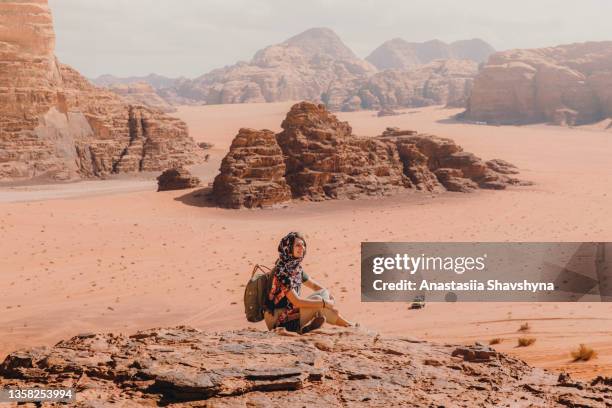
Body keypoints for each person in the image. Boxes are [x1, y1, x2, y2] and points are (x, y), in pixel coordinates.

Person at [264, 232, 355, 334]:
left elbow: (315, 286)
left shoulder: (295, 268)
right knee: (319, 304)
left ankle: (305, 329)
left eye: (303, 245)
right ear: (288, 248)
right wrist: (325, 303)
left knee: (323, 294)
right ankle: (351, 327)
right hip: (278, 320)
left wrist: (330, 296)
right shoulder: (282, 272)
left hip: (291, 314)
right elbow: (297, 302)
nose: (302, 248)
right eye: (297, 245)